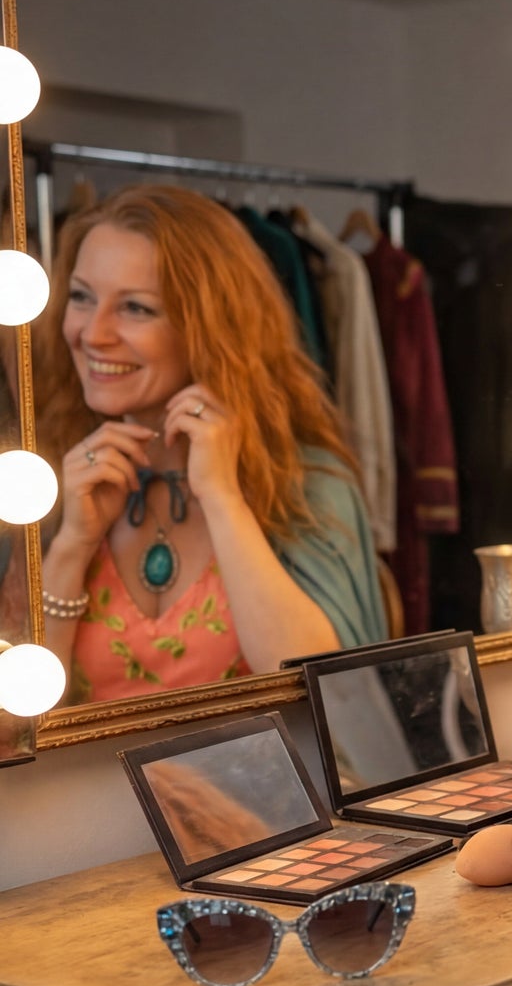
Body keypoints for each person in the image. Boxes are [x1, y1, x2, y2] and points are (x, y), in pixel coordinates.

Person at [33, 184, 387, 704]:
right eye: (82, 297)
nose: (93, 333)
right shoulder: (40, 482)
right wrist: (71, 548)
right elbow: (12, 729)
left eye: (135, 307)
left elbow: (336, 702)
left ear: (209, 328)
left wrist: (223, 497)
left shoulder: (307, 485)